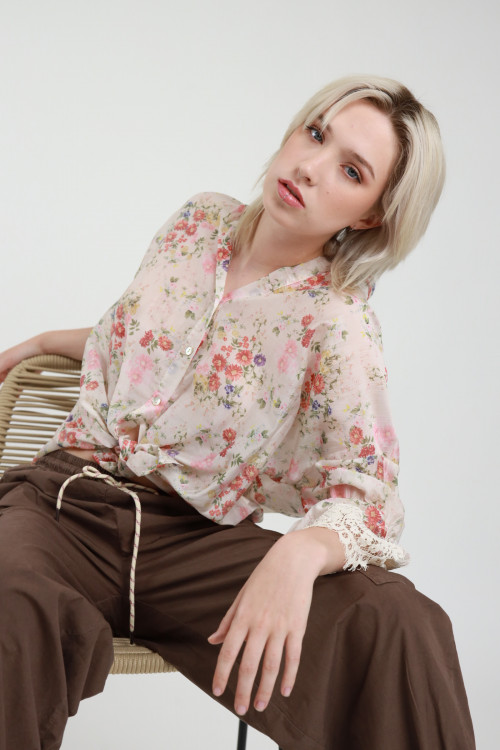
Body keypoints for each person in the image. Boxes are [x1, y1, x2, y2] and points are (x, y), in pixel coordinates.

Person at [0, 75, 475, 750]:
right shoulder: (196, 223)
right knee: (9, 600)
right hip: (65, 507)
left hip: (192, 543)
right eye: (316, 134)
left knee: (395, 619)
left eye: (350, 170)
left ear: (371, 216)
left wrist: (300, 553)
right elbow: (147, 340)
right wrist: (44, 341)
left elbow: (369, 493)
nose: (310, 168)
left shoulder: (337, 321)